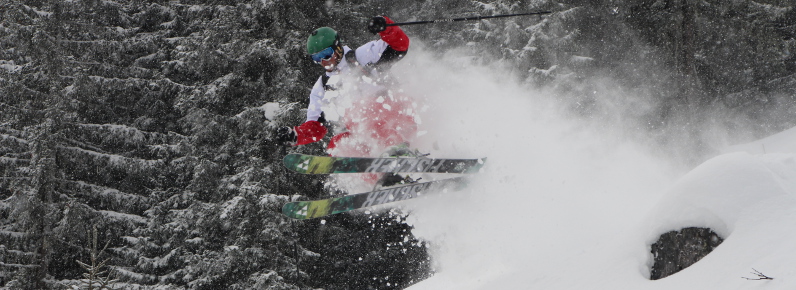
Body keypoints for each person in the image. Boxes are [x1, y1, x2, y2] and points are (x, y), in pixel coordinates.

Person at [275, 16, 416, 158]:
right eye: (317, 58)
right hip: (366, 130)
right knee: (338, 144)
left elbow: (400, 46)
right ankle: (379, 177)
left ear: (337, 47)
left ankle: (398, 151)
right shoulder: (323, 86)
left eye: (326, 54)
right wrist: (296, 135)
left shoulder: (362, 56)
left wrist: (386, 27)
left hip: (396, 117)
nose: (324, 61)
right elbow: (316, 126)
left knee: (364, 112)